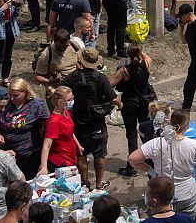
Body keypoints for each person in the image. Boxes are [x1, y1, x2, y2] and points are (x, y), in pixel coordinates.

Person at [128, 108, 196, 219]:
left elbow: (132, 159)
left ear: (170, 122)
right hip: (186, 194)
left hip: (162, 195)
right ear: (187, 125)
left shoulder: (156, 143)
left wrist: (151, 171)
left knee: (163, 219)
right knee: (187, 219)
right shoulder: (194, 145)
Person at [61, 47, 117, 189]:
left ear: (80, 60)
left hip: (77, 122)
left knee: (81, 154)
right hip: (96, 123)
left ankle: (84, 182)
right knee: (99, 154)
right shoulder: (101, 78)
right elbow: (113, 98)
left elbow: (61, 92)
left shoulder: (72, 77)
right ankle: (99, 183)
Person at [111, 42, 155, 176]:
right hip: (144, 103)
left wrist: (115, 99)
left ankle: (131, 166)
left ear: (128, 55)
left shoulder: (124, 71)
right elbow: (147, 57)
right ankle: (151, 158)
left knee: (131, 134)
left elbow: (109, 85)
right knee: (145, 131)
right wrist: (135, 48)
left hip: (129, 104)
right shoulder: (146, 64)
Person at [0, 78, 50, 180]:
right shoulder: (5, 104)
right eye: (10, 95)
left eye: (16, 95)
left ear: (25, 92)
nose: (12, 98)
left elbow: (47, 125)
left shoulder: (37, 105)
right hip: (7, 154)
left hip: (29, 155)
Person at [38, 86, 83, 180]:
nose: (72, 101)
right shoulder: (54, 122)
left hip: (70, 155)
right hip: (61, 161)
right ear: (59, 102)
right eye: (69, 99)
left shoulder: (65, 112)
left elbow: (70, 131)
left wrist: (78, 145)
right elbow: (46, 145)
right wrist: (44, 167)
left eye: (72, 98)